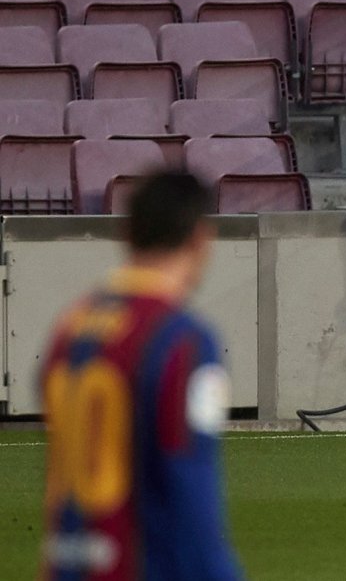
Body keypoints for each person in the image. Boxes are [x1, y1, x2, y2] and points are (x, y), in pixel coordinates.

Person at [40, 172, 243, 579]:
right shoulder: (182, 340)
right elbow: (189, 485)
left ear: (127, 233)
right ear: (201, 238)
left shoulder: (71, 328)